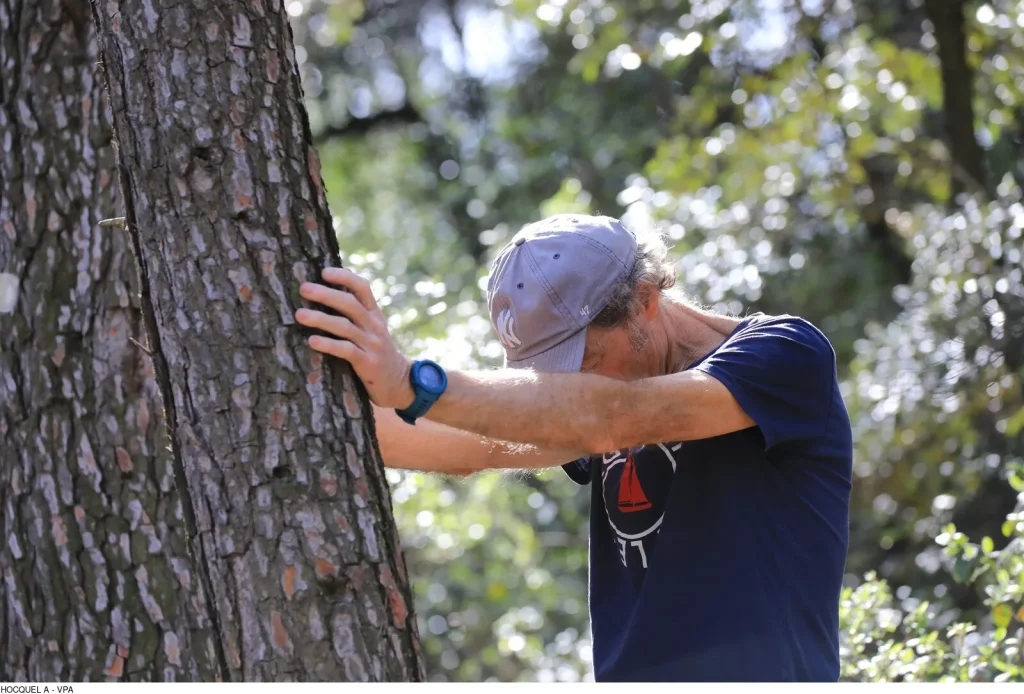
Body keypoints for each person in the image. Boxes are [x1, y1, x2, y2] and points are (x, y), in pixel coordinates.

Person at [294, 214, 853, 682]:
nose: (568, 386)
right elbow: (474, 444)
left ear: (644, 301)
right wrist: (316, 409)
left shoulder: (784, 356)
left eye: (580, 363)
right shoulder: (593, 405)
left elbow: (615, 416)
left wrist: (415, 381)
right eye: (545, 376)